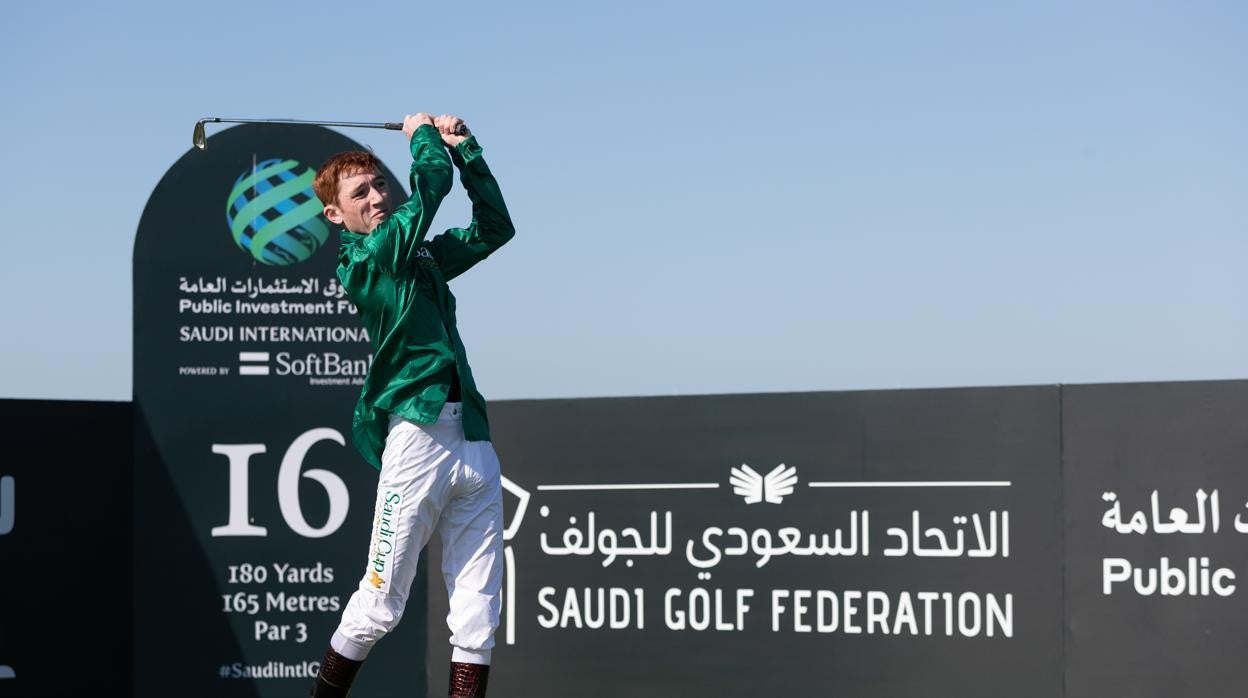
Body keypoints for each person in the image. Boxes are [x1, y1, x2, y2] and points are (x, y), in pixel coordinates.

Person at [308, 112, 515, 698]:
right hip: (418, 442)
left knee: (478, 616)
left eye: (378, 185)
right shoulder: (367, 260)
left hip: (473, 438)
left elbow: (495, 228)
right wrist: (422, 135)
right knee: (380, 604)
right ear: (335, 214)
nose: (375, 197)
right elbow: (429, 186)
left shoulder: (417, 255)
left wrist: (467, 150)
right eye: (360, 192)